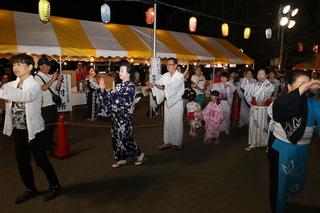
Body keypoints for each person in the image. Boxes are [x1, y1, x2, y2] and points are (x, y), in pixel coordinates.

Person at [0, 54, 60, 204]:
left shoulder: (34, 85)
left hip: (34, 130)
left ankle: (55, 185)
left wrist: (2, 91)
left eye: (19, 64)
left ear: (30, 67)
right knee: (22, 161)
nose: (15, 68)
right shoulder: (12, 84)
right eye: (14, 65)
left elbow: (24, 96)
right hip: (18, 130)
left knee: (41, 160)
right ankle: (30, 189)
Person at [267, 70, 320, 213]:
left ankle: (285, 197)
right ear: (289, 86)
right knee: (279, 184)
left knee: (296, 179)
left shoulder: (314, 104)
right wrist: (305, 87)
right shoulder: (281, 101)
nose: (308, 87)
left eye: (309, 84)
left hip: (301, 150)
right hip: (281, 149)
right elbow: (280, 110)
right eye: (302, 84)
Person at [98, 60, 145, 168]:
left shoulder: (131, 87)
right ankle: (121, 158)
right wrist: (102, 90)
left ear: (128, 73)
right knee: (116, 138)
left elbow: (124, 101)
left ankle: (139, 154)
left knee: (125, 138)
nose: (120, 73)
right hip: (115, 117)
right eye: (120, 70)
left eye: (122, 71)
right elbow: (110, 98)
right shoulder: (119, 86)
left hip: (125, 117)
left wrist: (111, 95)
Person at [146, 57, 185, 150]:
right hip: (168, 102)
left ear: (175, 65)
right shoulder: (165, 75)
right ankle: (167, 142)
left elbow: (173, 87)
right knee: (167, 123)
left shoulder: (180, 76)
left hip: (176, 103)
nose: (168, 66)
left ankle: (178, 142)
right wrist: (152, 85)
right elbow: (158, 84)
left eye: (170, 64)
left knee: (177, 122)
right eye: (167, 65)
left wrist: (161, 87)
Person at [34, 55, 62, 151]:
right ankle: (45, 144)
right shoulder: (36, 77)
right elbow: (44, 87)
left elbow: (57, 88)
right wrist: (54, 78)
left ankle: (49, 141)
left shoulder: (49, 76)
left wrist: (59, 80)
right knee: (47, 126)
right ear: (41, 66)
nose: (49, 67)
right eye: (47, 65)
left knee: (52, 124)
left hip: (52, 104)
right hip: (44, 105)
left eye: (49, 66)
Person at [241, 69, 274, 151]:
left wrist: (253, 96)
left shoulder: (269, 85)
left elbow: (260, 97)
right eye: (258, 74)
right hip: (254, 108)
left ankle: (265, 142)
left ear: (266, 75)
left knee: (264, 126)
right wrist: (246, 79)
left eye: (262, 74)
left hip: (263, 109)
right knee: (253, 126)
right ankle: (253, 143)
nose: (260, 75)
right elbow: (244, 87)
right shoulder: (254, 84)